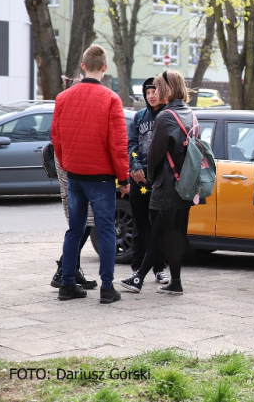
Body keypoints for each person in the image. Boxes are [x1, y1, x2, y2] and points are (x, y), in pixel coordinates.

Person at [51, 45, 130, 304]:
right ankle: (107, 287)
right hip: (101, 176)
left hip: (74, 173)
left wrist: (66, 162)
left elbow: (57, 137)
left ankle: (67, 284)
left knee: (75, 229)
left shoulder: (63, 98)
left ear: (83, 66)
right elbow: (117, 144)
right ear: (105, 68)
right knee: (106, 229)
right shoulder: (110, 99)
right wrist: (124, 177)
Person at [119, 70, 195, 295]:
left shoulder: (166, 116)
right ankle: (166, 281)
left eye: (158, 87)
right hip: (184, 183)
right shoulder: (188, 111)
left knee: (159, 233)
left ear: (168, 90)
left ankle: (142, 278)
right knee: (166, 233)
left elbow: (154, 155)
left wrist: (149, 176)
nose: (155, 92)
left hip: (166, 185)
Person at [49, 75, 97, 291]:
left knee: (82, 226)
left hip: (73, 172)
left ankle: (71, 269)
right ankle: (63, 270)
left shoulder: (71, 110)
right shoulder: (68, 111)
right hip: (72, 174)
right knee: (81, 226)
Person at [126, 77, 169, 284]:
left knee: (157, 227)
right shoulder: (139, 117)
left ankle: (160, 268)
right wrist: (134, 167)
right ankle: (137, 267)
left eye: (154, 92)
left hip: (159, 181)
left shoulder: (167, 115)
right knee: (139, 226)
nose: (151, 96)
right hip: (138, 180)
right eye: (148, 92)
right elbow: (132, 145)